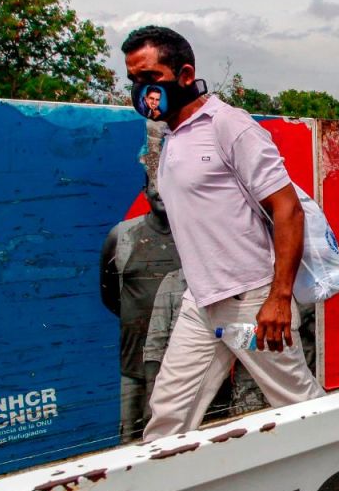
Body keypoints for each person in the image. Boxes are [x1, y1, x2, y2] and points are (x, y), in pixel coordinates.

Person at [121, 25, 324, 441]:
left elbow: (286, 209)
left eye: (150, 79)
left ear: (184, 73)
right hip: (202, 303)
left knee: (298, 405)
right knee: (167, 416)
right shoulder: (173, 136)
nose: (142, 91)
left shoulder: (229, 126)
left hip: (250, 302)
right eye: (134, 82)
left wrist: (279, 299)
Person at [99, 175, 180, 441]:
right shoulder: (122, 235)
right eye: (154, 185)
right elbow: (109, 295)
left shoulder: (193, 234)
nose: (161, 192)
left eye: (167, 183)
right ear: (144, 191)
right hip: (133, 365)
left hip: (183, 366)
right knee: (130, 443)